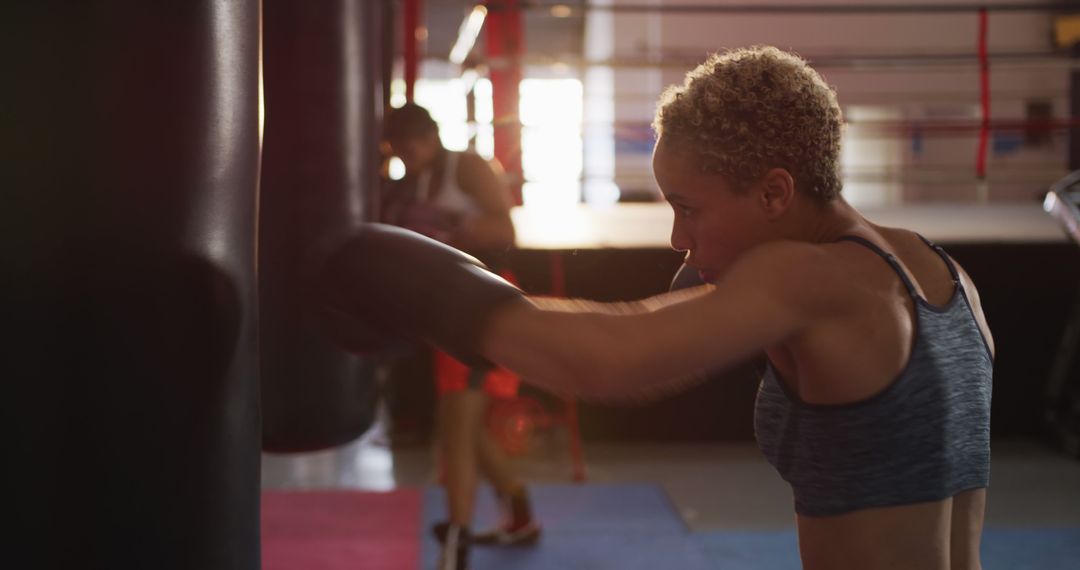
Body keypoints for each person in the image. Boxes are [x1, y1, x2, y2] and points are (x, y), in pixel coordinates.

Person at [328, 46, 993, 570]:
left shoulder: (804, 276)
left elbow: (606, 363)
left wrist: (422, 283)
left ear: (774, 192)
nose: (678, 237)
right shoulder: (938, 269)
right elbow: (647, 334)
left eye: (689, 209)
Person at [380, 103, 541, 570]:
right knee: (464, 429)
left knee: (455, 428)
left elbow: (505, 228)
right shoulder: (408, 182)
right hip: (440, 309)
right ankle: (519, 514)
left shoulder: (466, 167)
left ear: (431, 137)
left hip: (478, 308)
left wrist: (450, 231)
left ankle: (457, 543)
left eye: (413, 146)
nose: (407, 156)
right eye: (399, 149)